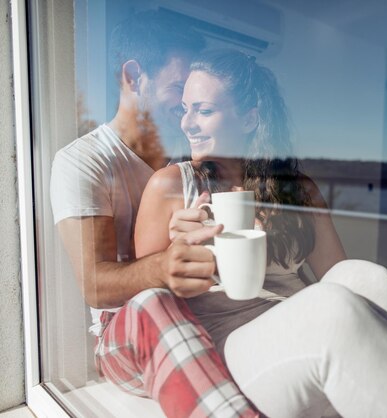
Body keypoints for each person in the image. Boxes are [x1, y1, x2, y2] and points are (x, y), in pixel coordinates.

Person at [135, 49, 387, 418]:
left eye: (203, 111)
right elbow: (146, 304)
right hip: (225, 347)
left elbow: (340, 276)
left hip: (295, 327)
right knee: (331, 309)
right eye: (184, 109)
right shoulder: (172, 187)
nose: (187, 123)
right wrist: (175, 256)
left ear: (249, 119)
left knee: (372, 278)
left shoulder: (295, 190)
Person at [50, 12, 259, 418]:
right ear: (133, 76)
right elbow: (95, 287)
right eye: (178, 89)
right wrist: (164, 266)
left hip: (195, 314)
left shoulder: (192, 159)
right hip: (128, 333)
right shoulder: (84, 162)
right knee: (153, 302)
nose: (186, 109)